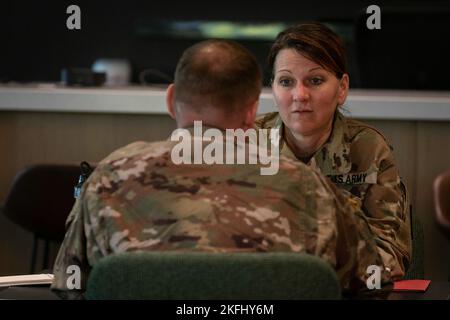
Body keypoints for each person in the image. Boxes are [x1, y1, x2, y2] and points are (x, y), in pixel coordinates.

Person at [51, 39, 388, 299]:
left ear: (171, 100)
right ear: (251, 111)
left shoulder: (109, 179)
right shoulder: (311, 187)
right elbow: (371, 282)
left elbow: (70, 283)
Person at [255, 22, 412, 280]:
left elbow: (389, 257)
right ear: (273, 88)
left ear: (342, 88)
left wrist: (307, 274)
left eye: (315, 80)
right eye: (286, 81)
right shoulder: (245, 143)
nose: (300, 95)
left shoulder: (368, 150)